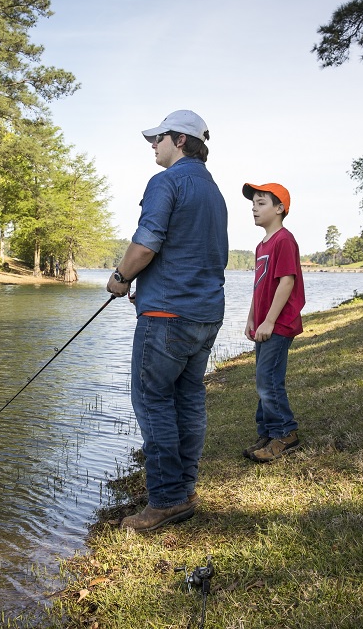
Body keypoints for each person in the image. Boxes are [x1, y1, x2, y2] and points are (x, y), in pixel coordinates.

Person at [105, 110, 228, 532]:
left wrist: (121, 278)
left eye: (157, 139)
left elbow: (146, 244)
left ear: (179, 140)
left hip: (166, 317)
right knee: (189, 399)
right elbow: (193, 253)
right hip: (205, 314)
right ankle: (184, 489)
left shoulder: (166, 182)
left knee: (154, 401)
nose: (152, 146)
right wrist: (153, 284)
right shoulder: (214, 191)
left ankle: (167, 500)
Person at [240, 182, 306, 463]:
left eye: (261, 202)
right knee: (262, 378)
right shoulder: (261, 245)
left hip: (279, 324)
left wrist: (269, 321)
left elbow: (286, 282)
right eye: (253, 203)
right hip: (265, 323)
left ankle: (285, 433)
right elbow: (260, 285)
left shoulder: (284, 240)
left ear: (280, 209)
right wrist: (252, 318)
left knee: (269, 380)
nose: (254, 207)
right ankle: (267, 432)